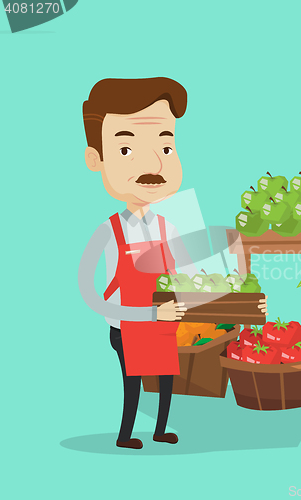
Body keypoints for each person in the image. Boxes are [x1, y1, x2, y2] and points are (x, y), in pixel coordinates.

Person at [78, 77, 236, 450]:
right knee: (133, 381)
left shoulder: (169, 225)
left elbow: (189, 277)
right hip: (128, 325)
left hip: (166, 323)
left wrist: (229, 295)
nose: (153, 163)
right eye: (127, 150)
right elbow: (91, 295)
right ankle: (125, 434)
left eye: (166, 146)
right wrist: (146, 316)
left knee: (166, 377)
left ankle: (161, 428)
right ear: (96, 159)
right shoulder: (108, 231)